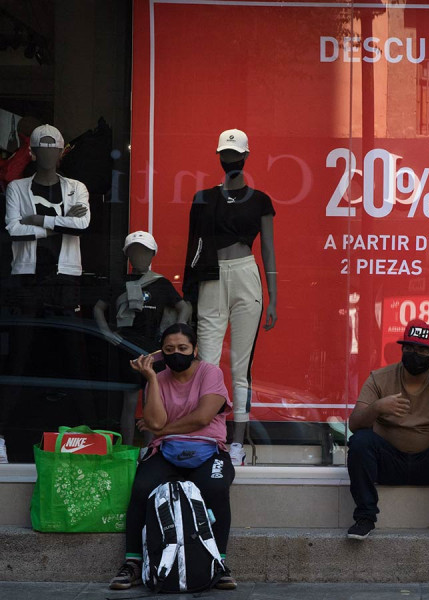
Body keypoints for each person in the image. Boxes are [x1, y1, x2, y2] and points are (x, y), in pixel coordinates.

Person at [109, 323, 236, 591]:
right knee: (141, 488)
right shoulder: (159, 379)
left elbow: (202, 417)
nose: (176, 353)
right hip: (167, 451)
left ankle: (219, 562)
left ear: (195, 350)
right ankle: (133, 562)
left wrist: (163, 430)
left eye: (182, 348)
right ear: (161, 353)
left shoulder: (210, 373)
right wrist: (152, 378)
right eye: (168, 349)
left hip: (208, 449)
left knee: (215, 488)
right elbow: (155, 421)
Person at [182, 129, 277, 466]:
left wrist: (274, 297)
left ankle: (237, 442)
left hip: (246, 274)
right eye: (226, 155)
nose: (230, 160)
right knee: (207, 361)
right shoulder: (204, 198)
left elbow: (268, 249)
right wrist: (188, 293)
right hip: (211, 275)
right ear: (219, 156)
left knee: (240, 365)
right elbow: (193, 246)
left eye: (236, 155)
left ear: (246, 156)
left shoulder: (261, 200)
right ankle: (209, 433)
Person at [346, 319, 429, 542]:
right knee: (360, 440)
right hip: (389, 463)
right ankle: (364, 517)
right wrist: (377, 408)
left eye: (421, 349)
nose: (414, 354)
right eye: (409, 347)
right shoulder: (380, 378)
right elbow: (354, 424)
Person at [93, 231, 191, 444]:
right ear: (127, 255)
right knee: (129, 402)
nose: (140, 257)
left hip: (153, 348)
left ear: (153, 254)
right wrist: (106, 332)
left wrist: (177, 333)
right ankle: (127, 449)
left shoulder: (161, 284)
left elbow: (183, 307)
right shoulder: (118, 282)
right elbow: (98, 308)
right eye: (135, 252)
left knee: (151, 399)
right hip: (126, 348)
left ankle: (150, 448)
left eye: (145, 252)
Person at [5, 123, 90, 316]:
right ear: (33, 153)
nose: (48, 154)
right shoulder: (16, 188)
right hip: (27, 273)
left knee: (66, 330)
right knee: (26, 329)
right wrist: (62, 224)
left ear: (61, 153)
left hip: (66, 272)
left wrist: (37, 219)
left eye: (53, 149)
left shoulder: (76, 188)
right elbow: (13, 229)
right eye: (42, 149)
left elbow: (81, 224)